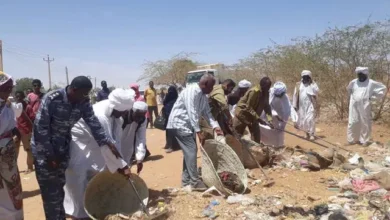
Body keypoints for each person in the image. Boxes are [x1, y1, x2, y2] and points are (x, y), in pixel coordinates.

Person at [31, 76, 123, 220]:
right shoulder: (53, 99)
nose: (86, 97)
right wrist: (49, 154)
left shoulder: (83, 101)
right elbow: (40, 129)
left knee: (59, 191)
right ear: (73, 90)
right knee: (50, 192)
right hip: (44, 152)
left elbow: (93, 122)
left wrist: (106, 141)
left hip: (63, 149)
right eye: (84, 93)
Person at [64, 88, 135, 219]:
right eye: (124, 111)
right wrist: (122, 166)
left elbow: (116, 141)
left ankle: (94, 206)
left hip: (95, 142)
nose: (125, 114)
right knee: (77, 176)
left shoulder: (116, 116)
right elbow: (106, 144)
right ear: (117, 107)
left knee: (97, 172)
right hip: (80, 142)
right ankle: (78, 213)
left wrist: (122, 163)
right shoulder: (100, 115)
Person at [167, 74, 222, 191]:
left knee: (189, 152)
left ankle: (186, 181)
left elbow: (207, 112)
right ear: (205, 84)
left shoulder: (203, 95)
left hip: (189, 126)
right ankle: (195, 182)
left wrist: (216, 126)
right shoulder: (191, 91)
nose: (212, 89)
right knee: (191, 151)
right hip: (179, 124)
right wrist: (198, 131)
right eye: (211, 86)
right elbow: (191, 112)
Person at [0, 72, 24, 220]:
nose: (9, 92)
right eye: (6, 89)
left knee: (12, 187)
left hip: (7, 151)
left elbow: (16, 117)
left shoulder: (8, 106)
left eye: (10, 89)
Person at [347, 67, 386, 146]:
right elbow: (349, 89)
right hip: (354, 104)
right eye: (359, 75)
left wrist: (372, 97)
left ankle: (364, 140)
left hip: (365, 105)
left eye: (362, 75)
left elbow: (383, 88)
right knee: (353, 121)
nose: (360, 76)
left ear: (366, 75)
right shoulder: (354, 82)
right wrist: (352, 98)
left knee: (365, 122)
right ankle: (351, 140)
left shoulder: (371, 83)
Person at [233, 77, 273, 143]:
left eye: (269, 86)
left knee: (256, 138)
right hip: (243, 115)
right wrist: (258, 118)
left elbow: (267, 106)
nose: (268, 88)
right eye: (267, 87)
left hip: (254, 117)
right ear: (262, 86)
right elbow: (248, 107)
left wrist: (270, 120)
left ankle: (255, 151)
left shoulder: (266, 93)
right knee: (237, 136)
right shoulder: (254, 91)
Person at [259, 82, 292, 147]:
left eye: (280, 95)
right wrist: (275, 115)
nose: (279, 96)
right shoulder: (269, 93)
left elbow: (287, 109)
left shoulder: (285, 96)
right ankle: (267, 145)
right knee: (267, 128)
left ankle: (278, 145)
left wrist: (283, 121)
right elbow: (267, 106)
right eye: (277, 95)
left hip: (280, 116)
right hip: (268, 115)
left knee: (279, 131)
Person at [292, 70, 320, 141]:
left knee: (310, 119)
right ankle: (306, 133)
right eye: (304, 77)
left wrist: (312, 83)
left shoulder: (312, 84)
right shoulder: (298, 84)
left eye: (307, 77)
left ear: (309, 77)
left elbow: (317, 91)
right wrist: (294, 105)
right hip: (301, 106)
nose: (305, 78)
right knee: (303, 119)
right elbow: (295, 95)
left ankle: (312, 134)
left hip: (310, 104)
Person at [14, 91, 34, 172]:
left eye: (20, 96)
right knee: (15, 150)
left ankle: (30, 167)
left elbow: (32, 118)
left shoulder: (28, 107)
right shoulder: (14, 107)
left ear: (23, 97)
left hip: (26, 131)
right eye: (17, 97)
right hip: (16, 131)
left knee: (28, 149)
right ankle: (13, 168)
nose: (18, 98)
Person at [162, 86, 179, 153]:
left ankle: (171, 146)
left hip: (171, 117)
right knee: (170, 131)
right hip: (170, 117)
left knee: (170, 132)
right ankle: (169, 145)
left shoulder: (169, 97)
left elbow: (164, 102)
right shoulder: (176, 98)